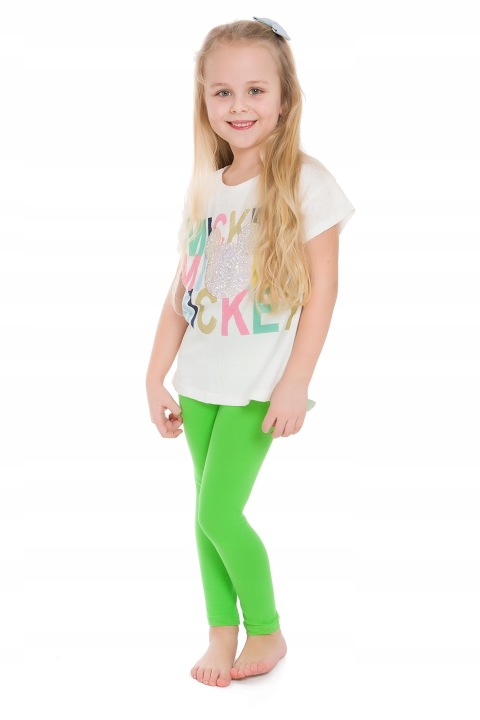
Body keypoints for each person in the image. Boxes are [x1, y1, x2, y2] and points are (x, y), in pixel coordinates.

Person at [145, 17, 355, 688]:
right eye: (223, 92)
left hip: (257, 385)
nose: (239, 106)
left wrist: (296, 383)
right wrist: (155, 376)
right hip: (199, 381)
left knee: (217, 512)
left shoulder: (308, 183)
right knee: (203, 516)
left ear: (285, 98)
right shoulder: (206, 187)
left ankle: (265, 627)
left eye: (256, 90)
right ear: (204, 100)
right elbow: (181, 292)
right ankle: (220, 630)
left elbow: (323, 292)